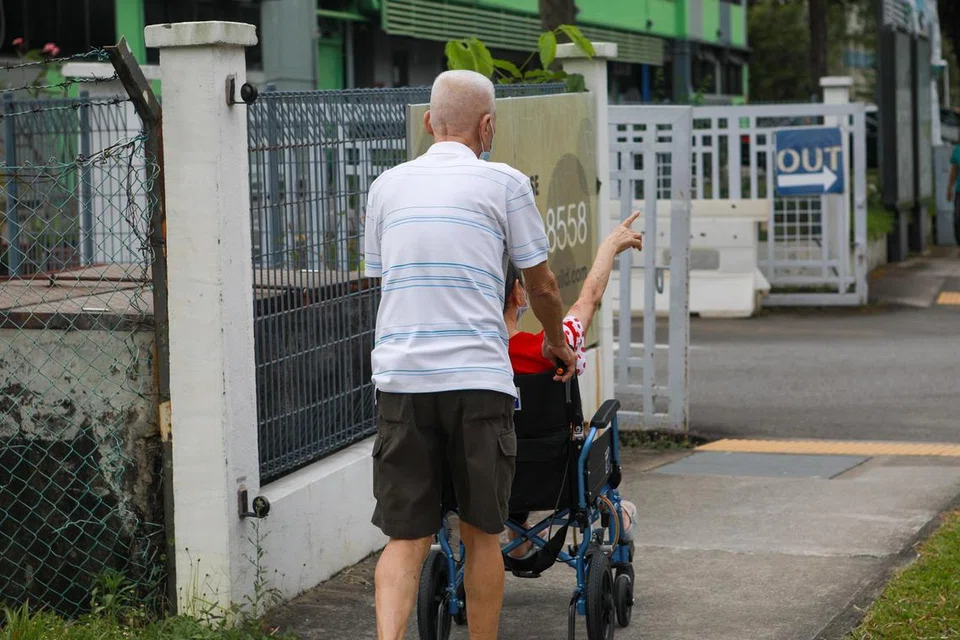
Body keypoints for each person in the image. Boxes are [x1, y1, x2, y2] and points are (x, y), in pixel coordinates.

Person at [363, 69, 577, 640]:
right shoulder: (505, 183)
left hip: (403, 381)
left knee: (405, 538)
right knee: (483, 532)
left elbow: (381, 283)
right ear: (488, 126)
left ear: (430, 123)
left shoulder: (385, 186)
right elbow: (544, 287)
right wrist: (557, 344)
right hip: (479, 381)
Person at [503, 212, 644, 558]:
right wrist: (610, 245)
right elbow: (589, 299)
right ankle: (621, 516)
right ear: (519, 296)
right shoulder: (552, 347)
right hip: (557, 475)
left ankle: (516, 535)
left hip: (489, 471)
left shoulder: (466, 359)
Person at [948, 142, 960, 245]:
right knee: (957, 218)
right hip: (959, 192)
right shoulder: (957, 150)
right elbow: (954, 171)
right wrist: (949, 188)